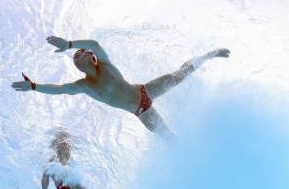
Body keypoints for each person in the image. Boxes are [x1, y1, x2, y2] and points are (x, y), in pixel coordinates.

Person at [12, 36, 230, 138]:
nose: (86, 52)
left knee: (177, 76)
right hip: (141, 112)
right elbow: (58, 89)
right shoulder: (84, 86)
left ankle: (210, 55)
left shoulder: (105, 65)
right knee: (170, 139)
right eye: (80, 53)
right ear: (79, 65)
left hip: (145, 91)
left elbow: (95, 44)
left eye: (85, 51)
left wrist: (70, 44)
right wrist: (33, 86)